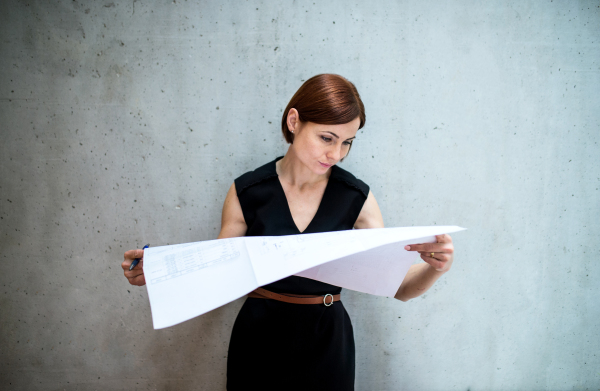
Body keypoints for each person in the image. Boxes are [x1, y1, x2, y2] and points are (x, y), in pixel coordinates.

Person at [122, 74, 455, 391]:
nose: (336, 154)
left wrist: (434, 267)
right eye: (327, 138)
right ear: (294, 121)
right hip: (258, 339)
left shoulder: (358, 198)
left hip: (328, 343)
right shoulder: (247, 191)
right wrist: (159, 272)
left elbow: (399, 288)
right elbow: (215, 275)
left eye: (347, 143)